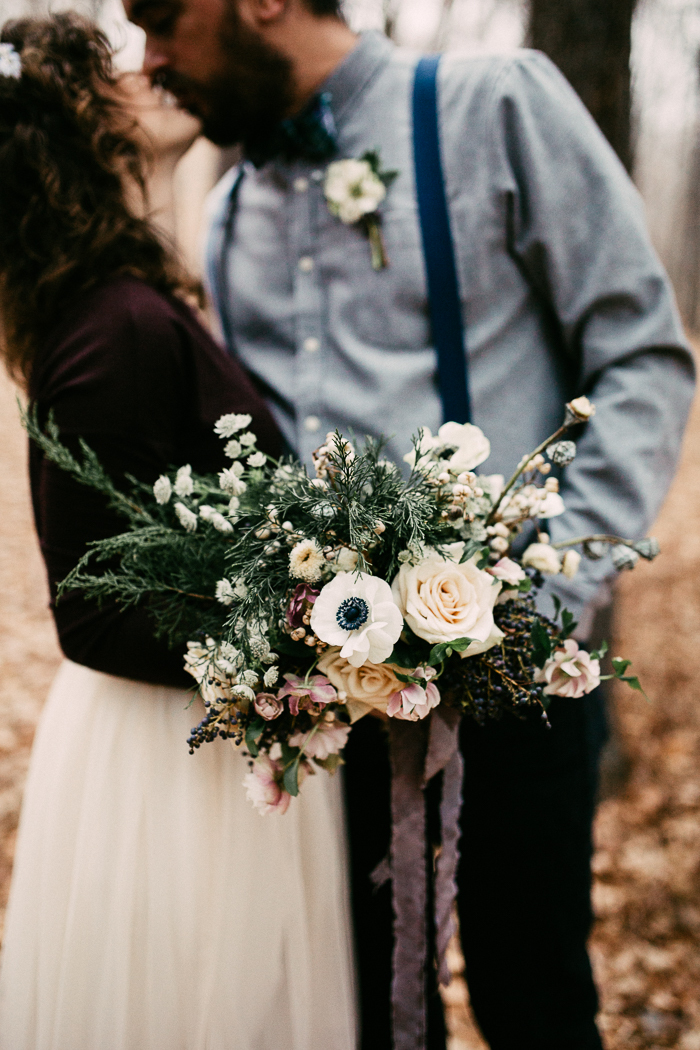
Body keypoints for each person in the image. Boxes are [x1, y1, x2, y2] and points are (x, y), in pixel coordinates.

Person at [122, 1, 695, 1048]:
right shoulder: (231, 206)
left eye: (160, 17)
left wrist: (544, 596)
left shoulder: (499, 106)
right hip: (331, 712)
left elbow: (641, 355)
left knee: (535, 1002)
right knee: (369, 1015)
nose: (149, 58)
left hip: (518, 675)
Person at [0, 14, 356, 1050]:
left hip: (203, 735)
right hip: (171, 758)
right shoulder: (111, 328)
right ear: (69, 135)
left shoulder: (130, 304)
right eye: (102, 71)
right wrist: (312, 638)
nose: (143, 66)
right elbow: (92, 612)